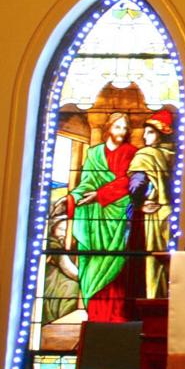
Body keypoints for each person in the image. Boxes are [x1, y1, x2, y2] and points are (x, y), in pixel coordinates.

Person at [50, 111, 137, 321]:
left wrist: (100, 195)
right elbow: (86, 183)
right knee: (92, 265)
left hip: (117, 218)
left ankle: (116, 318)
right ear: (108, 128)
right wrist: (71, 198)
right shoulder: (95, 153)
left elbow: (128, 182)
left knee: (115, 268)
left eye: (125, 128)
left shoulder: (132, 153)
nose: (122, 131)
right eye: (118, 127)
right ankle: (96, 315)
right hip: (95, 220)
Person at [128, 109, 176, 300]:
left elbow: (137, 185)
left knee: (152, 261)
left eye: (150, 132)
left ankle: (153, 300)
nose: (145, 136)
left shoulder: (145, 155)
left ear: (159, 134)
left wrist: (138, 204)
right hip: (169, 213)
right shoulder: (171, 155)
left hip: (152, 215)